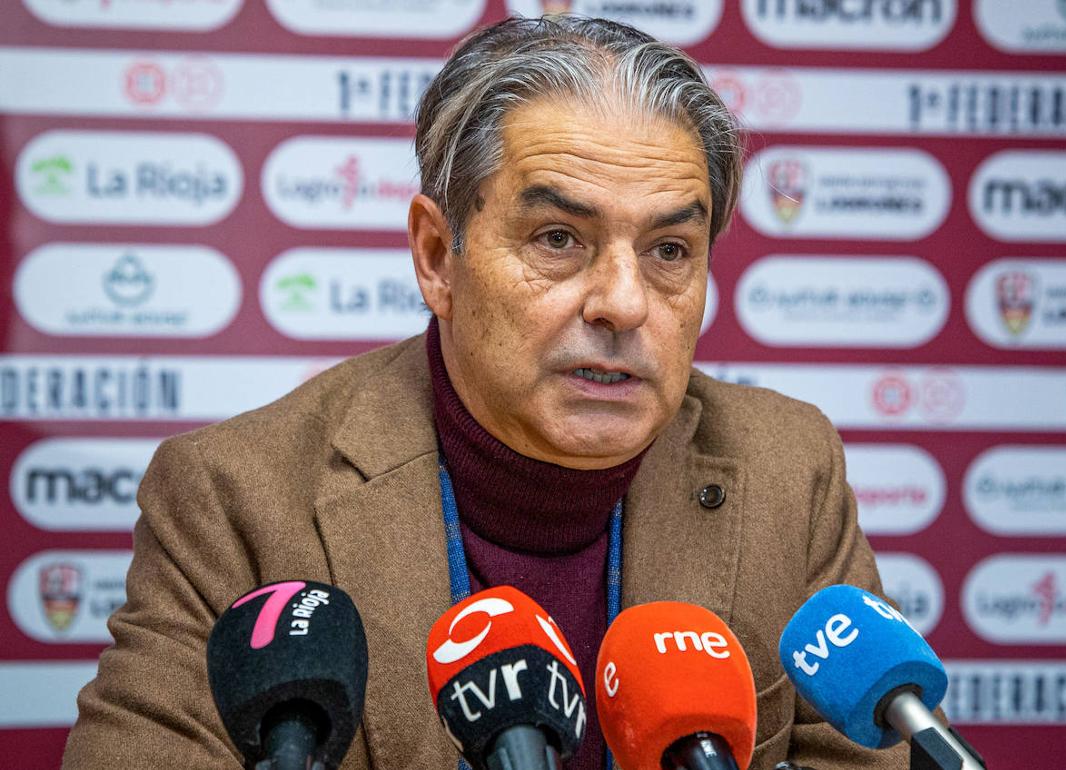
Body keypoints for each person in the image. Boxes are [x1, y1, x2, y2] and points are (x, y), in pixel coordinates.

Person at [63, 16, 906, 770]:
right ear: (437, 257)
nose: (623, 303)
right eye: (558, 238)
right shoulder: (237, 497)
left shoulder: (788, 470)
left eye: (670, 250)